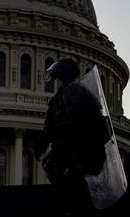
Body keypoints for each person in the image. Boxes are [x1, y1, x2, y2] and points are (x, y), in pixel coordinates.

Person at [35, 58, 110, 215]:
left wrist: (97, 136)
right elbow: (49, 127)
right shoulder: (55, 101)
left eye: (61, 76)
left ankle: (81, 203)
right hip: (63, 147)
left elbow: (97, 119)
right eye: (58, 78)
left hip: (83, 144)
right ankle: (69, 203)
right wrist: (41, 144)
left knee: (77, 175)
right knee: (52, 165)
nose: (60, 81)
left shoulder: (83, 94)